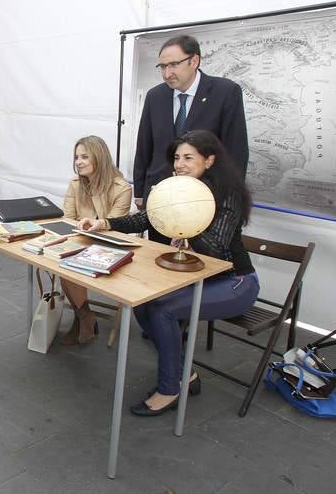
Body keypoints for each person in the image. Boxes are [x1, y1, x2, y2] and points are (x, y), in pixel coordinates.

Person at [79, 130, 259, 416]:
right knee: (142, 304)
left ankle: (169, 389)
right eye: (177, 158)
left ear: (209, 160)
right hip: (196, 280)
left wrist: (183, 228)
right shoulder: (178, 189)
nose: (180, 164)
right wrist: (104, 224)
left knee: (163, 311)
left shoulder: (227, 194)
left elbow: (214, 248)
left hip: (235, 282)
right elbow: (144, 218)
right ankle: (184, 374)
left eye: (189, 157)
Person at [133, 35, 248, 242]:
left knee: (199, 264)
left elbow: (236, 152)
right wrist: (140, 193)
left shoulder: (225, 92)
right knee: (157, 265)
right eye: (162, 67)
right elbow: (144, 146)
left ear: (194, 61)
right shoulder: (155, 96)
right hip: (161, 199)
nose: (167, 73)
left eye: (174, 65)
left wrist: (228, 201)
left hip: (203, 202)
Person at [59, 135, 132, 345]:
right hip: (81, 241)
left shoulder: (121, 188)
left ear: (98, 158)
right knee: (64, 266)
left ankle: (83, 319)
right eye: (76, 157)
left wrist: (96, 196)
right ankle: (84, 316)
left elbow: (114, 226)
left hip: (109, 245)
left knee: (70, 266)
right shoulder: (75, 184)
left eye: (84, 156)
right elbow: (67, 218)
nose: (78, 162)